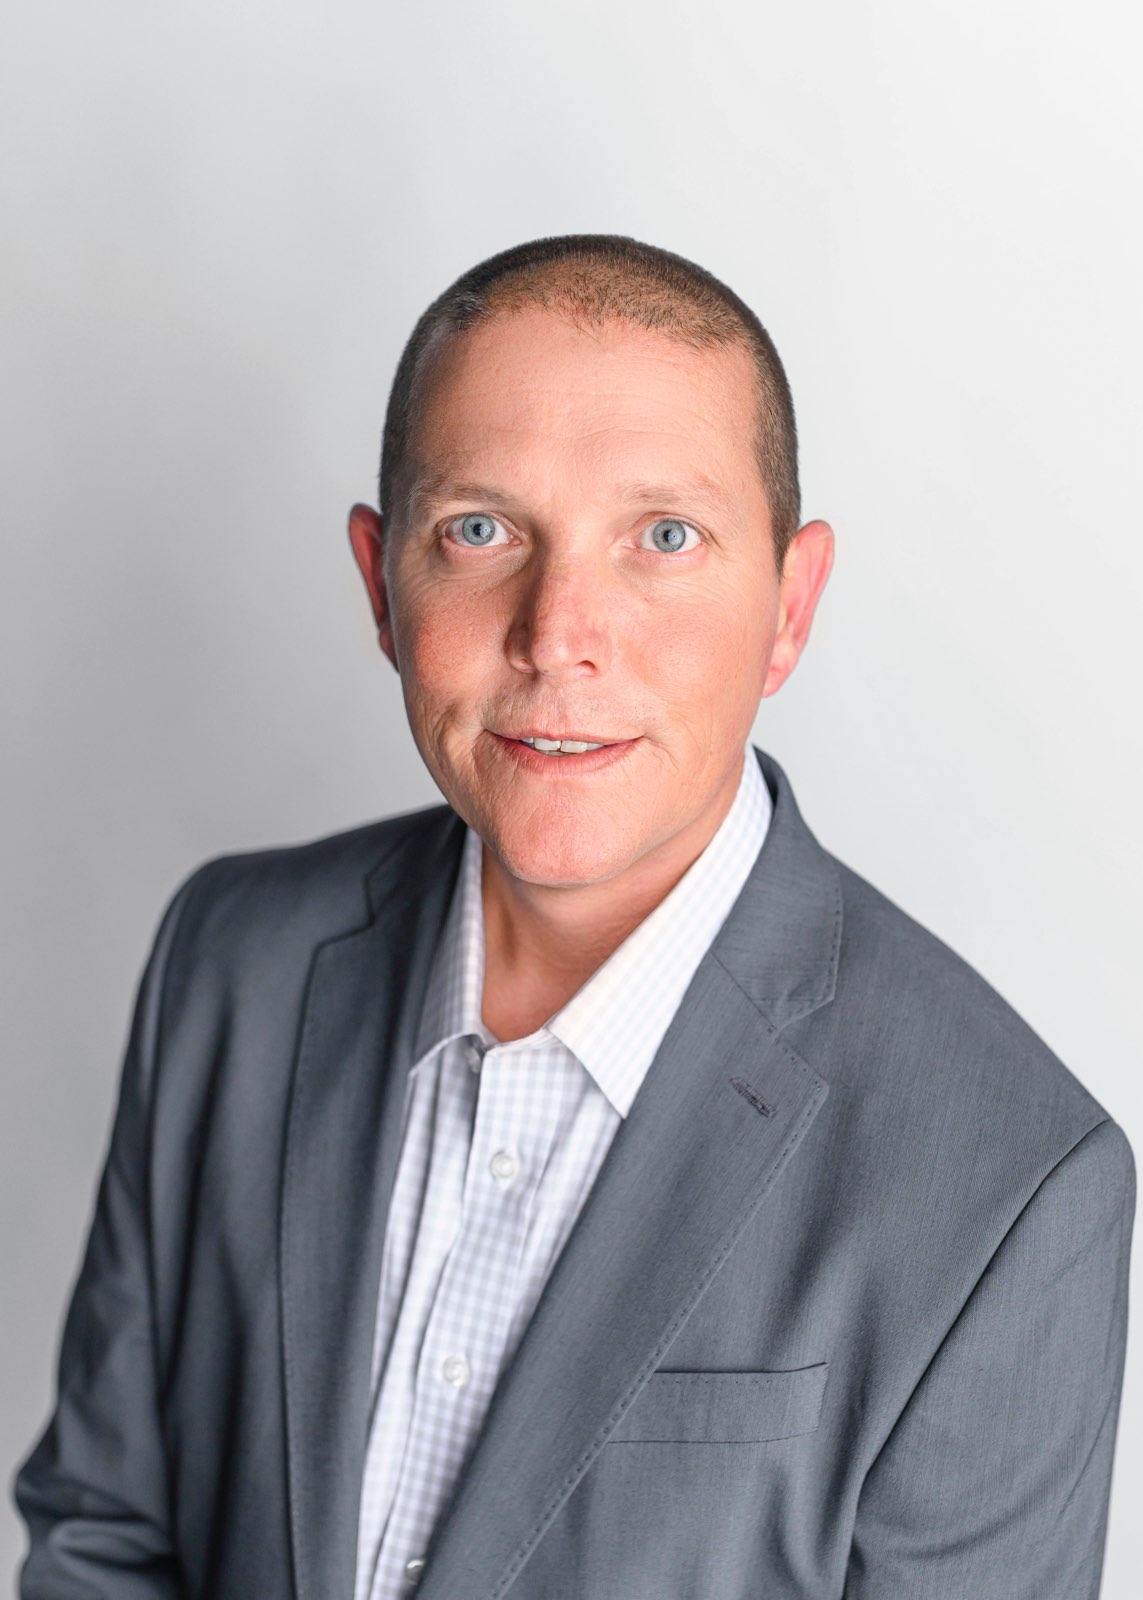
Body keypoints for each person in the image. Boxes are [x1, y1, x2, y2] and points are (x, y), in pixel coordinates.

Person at [13, 233, 1135, 1600]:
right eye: (479, 530)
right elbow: (109, 1539)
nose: (560, 631)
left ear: (790, 608)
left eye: (664, 537)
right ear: (381, 583)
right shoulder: (233, 964)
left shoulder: (1015, 1184)